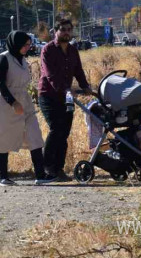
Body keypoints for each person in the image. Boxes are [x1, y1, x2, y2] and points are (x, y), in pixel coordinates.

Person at [0, 31, 56, 185]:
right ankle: (2, 176)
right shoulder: (3, 58)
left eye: (28, 44)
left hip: (25, 103)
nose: (27, 47)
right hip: (5, 104)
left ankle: (40, 175)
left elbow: (25, 83)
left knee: (35, 135)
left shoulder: (23, 61)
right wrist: (13, 102)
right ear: (16, 44)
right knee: (3, 138)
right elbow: (0, 83)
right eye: (25, 45)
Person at [38, 18, 92, 181]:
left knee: (64, 134)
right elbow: (51, 76)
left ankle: (58, 169)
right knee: (56, 129)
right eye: (63, 29)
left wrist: (85, 86)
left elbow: (78, 71)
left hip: (66, 97)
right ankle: (47, 167)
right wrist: (66, 90)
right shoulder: (47, 50)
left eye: (69, 29)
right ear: (56, 31)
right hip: (48, 95)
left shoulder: (73, 50)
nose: (66, 32)